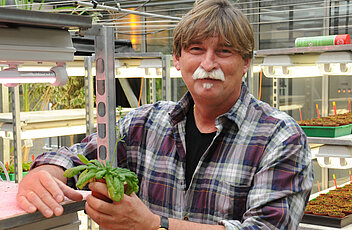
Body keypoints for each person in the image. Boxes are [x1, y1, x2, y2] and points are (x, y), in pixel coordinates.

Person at [17, 0, 313, 229]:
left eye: (224, 51)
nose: (208, 63)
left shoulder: (280, 137)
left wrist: (153, 225)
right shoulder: (144, 124)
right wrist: (43, 173)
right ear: (178, 58)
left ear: (246, 61)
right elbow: (78, 157)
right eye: (196, 49)